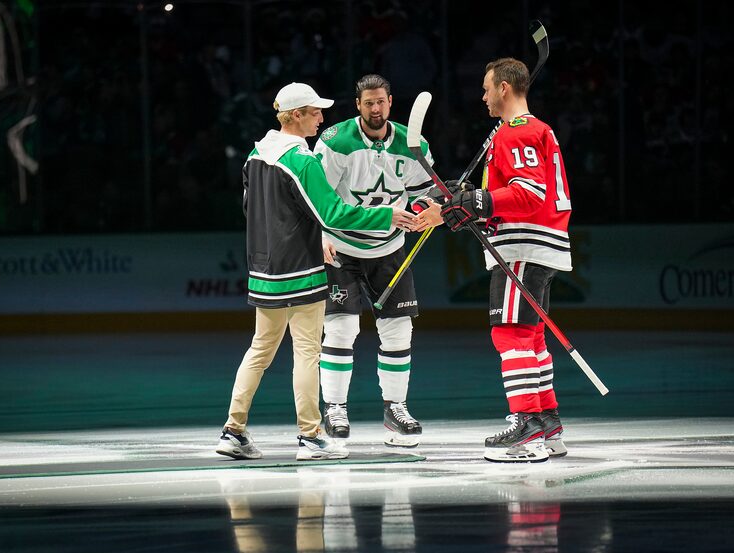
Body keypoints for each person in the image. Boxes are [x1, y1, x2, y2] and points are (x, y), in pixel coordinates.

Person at [216, 82, 418, 462]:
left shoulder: (256, 155)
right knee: (307, 351)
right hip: (301, 268)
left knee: (260, 350)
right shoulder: (301, 160)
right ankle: (310, 435)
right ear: (295, 115)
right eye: (313, 112)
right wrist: (386, 214)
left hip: (264, 269)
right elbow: (333, 214)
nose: (321, 118)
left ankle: (233, 430)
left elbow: (248, 207)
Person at [414, 58, 571, 463]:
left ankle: (526, 427)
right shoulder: (532, 130)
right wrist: (459, 204)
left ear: (504, 88)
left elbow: (528, 194)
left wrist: (472, 201)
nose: (482, 96)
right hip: (540, 243)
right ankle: (546, 421)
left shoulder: (517, 132)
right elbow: (501, 198)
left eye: (487, 88)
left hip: (523, 246)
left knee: (510, 334)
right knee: (531, 336)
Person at [314, 74, 434, 447]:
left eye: (380, 101)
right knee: (341, 328)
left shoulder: (413, 144)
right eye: (368, 103)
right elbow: (315, 195)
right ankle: (334, 408)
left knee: (399, 330)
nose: (375, 109)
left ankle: (395, 409)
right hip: (342, 247)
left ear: (390, 102)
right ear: (358, 105)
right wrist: (317, 236)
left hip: (390, 248)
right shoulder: (335, 141)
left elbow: (424, 193)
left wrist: (427, 210)